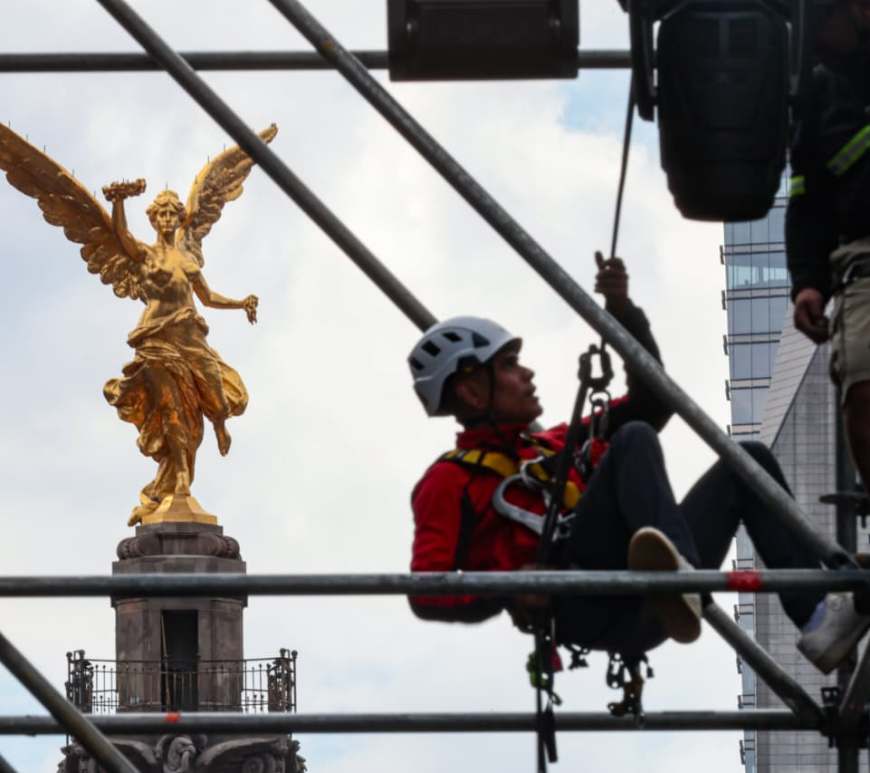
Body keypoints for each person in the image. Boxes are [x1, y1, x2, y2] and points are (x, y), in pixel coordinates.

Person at [408, 254, 869, 673]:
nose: (525, 373)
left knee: (745, 463)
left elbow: (653, 402)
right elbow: (426, 593)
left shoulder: (554, 445)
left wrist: (623, 313)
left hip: (643, 593)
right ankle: (680, 576)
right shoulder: (449, 480)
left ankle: (816, 615)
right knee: (632, 439)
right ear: (470, 390)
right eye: (508, 365)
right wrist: (508, 589)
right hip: (585, 600)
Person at [787, 0, 870, 490]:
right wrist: (808, 283)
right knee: (863, 392)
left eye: (823, 22)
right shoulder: (820, 89)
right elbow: (807, 196)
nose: (816, 37)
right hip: (863, 260)